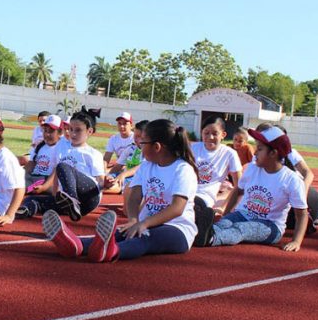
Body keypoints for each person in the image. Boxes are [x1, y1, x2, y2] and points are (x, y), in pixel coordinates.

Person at [43, 119, 199, 262]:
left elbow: (177, 208)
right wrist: (133, 219)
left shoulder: (182, 170)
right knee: (119, 234)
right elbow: (135, 195)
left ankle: (111, 251)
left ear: (157, 147)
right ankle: (77, 245)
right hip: (147, 223)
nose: (139, 145)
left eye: (142, 142)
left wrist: (144, 223)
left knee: (143, 239)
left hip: (178, 229)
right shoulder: (146, 166)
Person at [211, 126, 310, 251]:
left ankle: (211, 238)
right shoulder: (252, 169)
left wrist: (296, 241)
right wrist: (226, 216)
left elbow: (302, 215)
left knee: (242, 229)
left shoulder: (291, 180)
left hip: (270, 225)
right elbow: (238, 192)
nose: (255, 153)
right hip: (243, 214)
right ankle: (200, 234)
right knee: (223, 223)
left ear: (273, 153)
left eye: (260, 149)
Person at [15, 108, 105, 220]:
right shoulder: (62, 147)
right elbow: (57, 174)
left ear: (89, 131)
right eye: (71, 129)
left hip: (88, 198)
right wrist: (55, 194)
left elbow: (101, 182)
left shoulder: (93, 154)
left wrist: (108, 183)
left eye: (78, 130)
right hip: (68, 201)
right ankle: (27, 210)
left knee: (63, 166)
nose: (73, 133)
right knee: (30, 199)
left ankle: (72, 201)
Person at [190, 116, 242, 245]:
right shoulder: (193, 148)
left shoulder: (229, 153)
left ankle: (202, 224)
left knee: (194, 206)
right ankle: (200, 229)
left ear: (223, 135)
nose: (210, 137)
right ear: (201, 133)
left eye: (215, 133)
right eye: (206, 133)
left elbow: (239, 185)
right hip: (187, 191)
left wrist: (226, 208)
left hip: (205, 196)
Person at [22, 114, 70, 198]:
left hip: (45, 179)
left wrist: (45, 187)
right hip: (34, 176)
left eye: (51, 131)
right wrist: (19, 174)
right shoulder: (40, 145)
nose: (47, 134)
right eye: (45, 130)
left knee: (20, 187)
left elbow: (57, 171)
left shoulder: (62, 147)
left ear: (60, 132)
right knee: (14, 180)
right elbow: (31, 164)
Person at [103, 112, 138, 194]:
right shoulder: (114, 139)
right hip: (119, 167)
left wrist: (123, 174)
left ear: (131, 125)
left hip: (130, 170)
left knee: (114, 185)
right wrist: (103, 173)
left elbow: (141, 165)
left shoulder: (136, 140)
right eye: (119, 123)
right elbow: (106, 159)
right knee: (105, 180)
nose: (122, 126)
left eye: (125, 124)